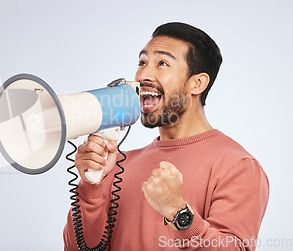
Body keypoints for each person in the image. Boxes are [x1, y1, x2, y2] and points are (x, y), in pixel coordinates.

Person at [63, 22, 269, 250]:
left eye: (162, 63)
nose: (143, 74)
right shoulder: (118, 165)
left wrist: (178, 211)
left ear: (197, 83)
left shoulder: (237, 166)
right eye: (142, 62)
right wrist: (92, 185)